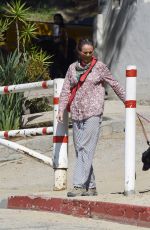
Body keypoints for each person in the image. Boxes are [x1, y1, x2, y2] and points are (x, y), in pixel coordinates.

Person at [57, 38, 125, 197]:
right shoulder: (72, 68)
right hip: (77, 113)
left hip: (93, 113)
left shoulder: (100, 67)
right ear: (78, 52)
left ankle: (79, 185)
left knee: (86, 148)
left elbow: (114, 84)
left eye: (90, 52)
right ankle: (92, 186)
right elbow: (66, 90)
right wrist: (61, 109)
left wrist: (128, 101)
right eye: (85, 52)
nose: (88, 55)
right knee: (80, 149)